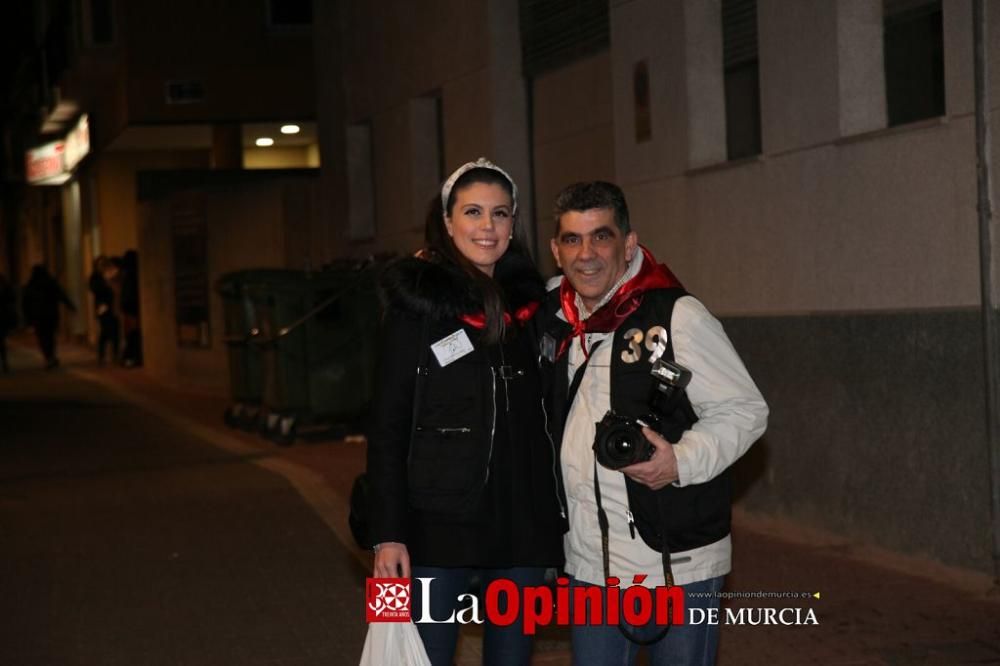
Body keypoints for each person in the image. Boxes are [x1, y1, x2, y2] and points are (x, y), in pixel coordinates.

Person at [538, 182, 768, 665]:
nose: (587, 255)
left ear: (628, 243)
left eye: (601, 237)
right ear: (556, 252)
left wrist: (678, 461)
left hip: (675, 563)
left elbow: (745, 410)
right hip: (590, 566)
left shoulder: (675, 316)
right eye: (573, 240)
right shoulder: (550, 318)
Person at [367, 158, 566, 665]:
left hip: (521, 526)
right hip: (434, 527)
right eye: (473, 212)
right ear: (448, 221)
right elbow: (388, 425)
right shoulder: (416, 305)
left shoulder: (533, 308)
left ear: (514, 222)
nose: (487, 227)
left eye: (500, 214)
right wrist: (386, 535)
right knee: (418, 657)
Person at [22, 264, 76, 370]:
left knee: (43, 338)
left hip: (37, 317)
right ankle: (51, 356)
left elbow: (25, 304)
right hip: (51, 315)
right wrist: (70, 305)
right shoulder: (50, 283)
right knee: (50, 336)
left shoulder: (31, 285)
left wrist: (28, 320)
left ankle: (48, 357)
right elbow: (61, 294)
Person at [89, 256, 120, 365]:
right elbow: (95, 289)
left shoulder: (111, 274)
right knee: (105, 332)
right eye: (100, 264)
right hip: (103, 308)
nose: (102, 267)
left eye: (104, 264)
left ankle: (115, 354)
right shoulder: (95, 278)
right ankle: (102, 356)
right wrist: (106, 284)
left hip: (114, 307)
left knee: (115, 331)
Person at [0, 273, 16, 373]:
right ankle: (4, 362)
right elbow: (12, 298)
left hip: (2, 316)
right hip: (2, 317)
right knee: (1, 341)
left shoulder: (4, 285)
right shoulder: (4, 284)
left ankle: (4, 362)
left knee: (1, 341)